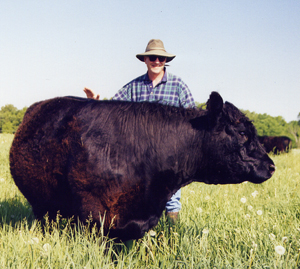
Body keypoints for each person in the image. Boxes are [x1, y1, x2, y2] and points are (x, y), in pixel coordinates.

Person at [84, 39, 195, 223]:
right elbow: (113, 108)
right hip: (139, 158)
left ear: (165, 60)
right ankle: (142, 235)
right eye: (153, 57)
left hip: (168, 157)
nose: (157, 61)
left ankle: (172, 236)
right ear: (145, 60)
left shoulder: (178, 86)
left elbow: (191, 118)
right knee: (141, 198)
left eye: (161, 58)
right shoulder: (133, 87)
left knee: (172, 200)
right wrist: (95, 102)